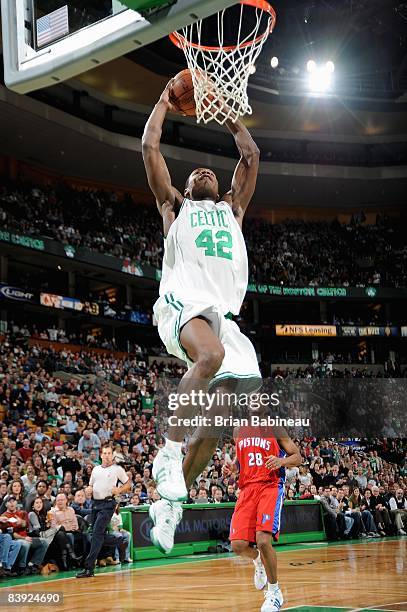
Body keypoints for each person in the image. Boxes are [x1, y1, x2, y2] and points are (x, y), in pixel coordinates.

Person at [142, 78, 261, 555]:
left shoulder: (234, 207)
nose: (202, 172)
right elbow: (150, 146)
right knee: (208, 353)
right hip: (181, 302)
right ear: (186, 188)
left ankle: (170, 504)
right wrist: (166, 101)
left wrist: (227, 112)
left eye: (208, 172)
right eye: (194, 173)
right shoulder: (175, 206)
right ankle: (168, 453)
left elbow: (250, 156)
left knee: (215, 426)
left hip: (221, 315)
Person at [222, 427, 301, 612]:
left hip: (270, 486)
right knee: (237, 545)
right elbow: (242, 459)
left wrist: (281, 461)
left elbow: (297, 457)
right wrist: (234, 467)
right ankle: (257, 560)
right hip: (247, 489)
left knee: (263, 541)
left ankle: (274, 592)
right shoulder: (238, 431)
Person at [76, 445, 131, 578]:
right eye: (104, 453)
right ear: (101, 455)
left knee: (96, 533)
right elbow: (90, 485)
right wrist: (88, 489)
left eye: (109, 453)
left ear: (112, 455)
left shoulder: (117, 469)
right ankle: (120, 541)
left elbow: (128, 484)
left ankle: (89, 568)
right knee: (95, 535)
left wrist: (118, 490)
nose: (106, 455)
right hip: (95, 503)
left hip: (108, 503)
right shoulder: (95, 469)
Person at [0, 496, 48, 575]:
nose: (12, 503)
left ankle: (32, 565)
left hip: (27, 537)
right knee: (25, 544)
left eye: (14, 501)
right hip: (17, 538)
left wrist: (21, 522)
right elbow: (10, 533)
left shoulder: (23, 513)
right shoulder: (3, 517)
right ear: (6, 504)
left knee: (44, 542)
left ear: (17, 503)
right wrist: (24, 538)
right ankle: (22, 567)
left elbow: (26, 525)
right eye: (10, 501)